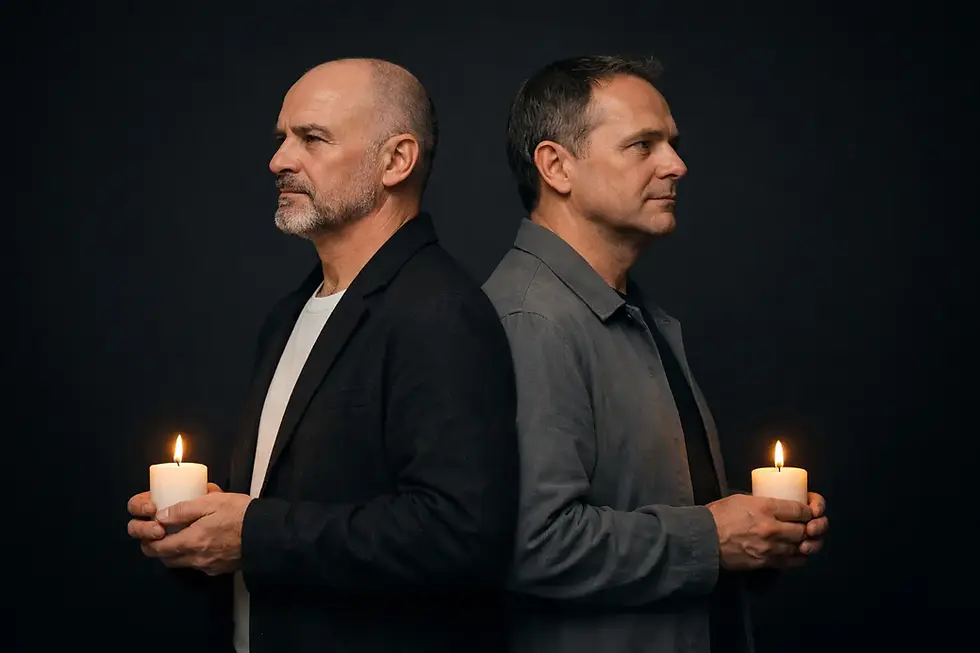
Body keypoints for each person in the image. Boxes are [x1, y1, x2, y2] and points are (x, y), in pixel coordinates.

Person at [126, 58, 520, 653]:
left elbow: (459, 535)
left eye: (312, 138)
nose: (279, 159)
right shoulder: (289, 313)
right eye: (282, 138)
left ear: (397, 160)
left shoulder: (442, 312)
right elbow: (284, 502)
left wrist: (253, 533)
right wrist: (198, 526)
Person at [483, 55, 830, 653]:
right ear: (555, 166)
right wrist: (714, 537)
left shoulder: (631, 312)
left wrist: (761, 537)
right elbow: (532, 545)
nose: (676, 165)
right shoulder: (531, 319)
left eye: (671, 142)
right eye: (642, 145)